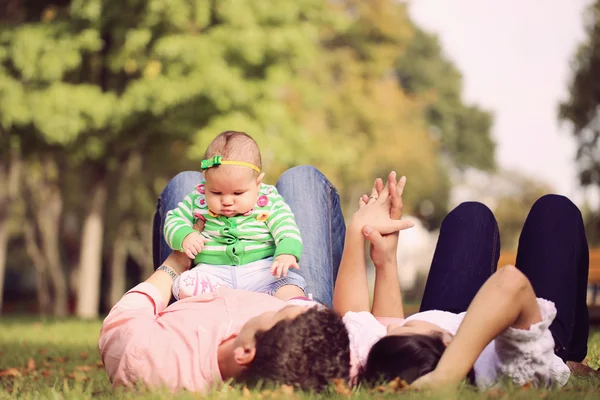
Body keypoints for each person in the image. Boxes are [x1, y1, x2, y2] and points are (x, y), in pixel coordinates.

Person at [101, 166, 411, 392]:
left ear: (245, 351)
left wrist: (179, 259)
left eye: (278, 312)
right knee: (300, 178)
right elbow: (381, 332)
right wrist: (369, 243)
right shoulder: (319, 355)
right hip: (279, 277)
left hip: (201, 275)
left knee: (188, 183)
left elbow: (128, 314)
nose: (278, 308)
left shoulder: (148, 358)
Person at [335, 185, 590, 389]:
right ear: (447, 342)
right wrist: (443, 377)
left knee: (470, 215)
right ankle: (571, 353)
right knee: (555, 211)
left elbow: (354, 318)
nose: (393, 324)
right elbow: (510, 283)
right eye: (408, 325)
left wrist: (362, 231)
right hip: (528, 323)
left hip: (447, 317)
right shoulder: (509, 366)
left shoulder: (396, 352)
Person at [163, 131, 305, 301]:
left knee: (289, 284)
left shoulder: (268, 198)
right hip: (213, 271)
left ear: (258, 183)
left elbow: (286, 227)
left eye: (238, 193)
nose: (227, 201)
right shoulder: (197, 198)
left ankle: (295, 306)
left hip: (262, 271)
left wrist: (286, 252)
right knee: (185, 282)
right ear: (205, 181)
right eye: (216, 192)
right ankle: (215, 297)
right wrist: (185, 235)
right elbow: (173, 220)